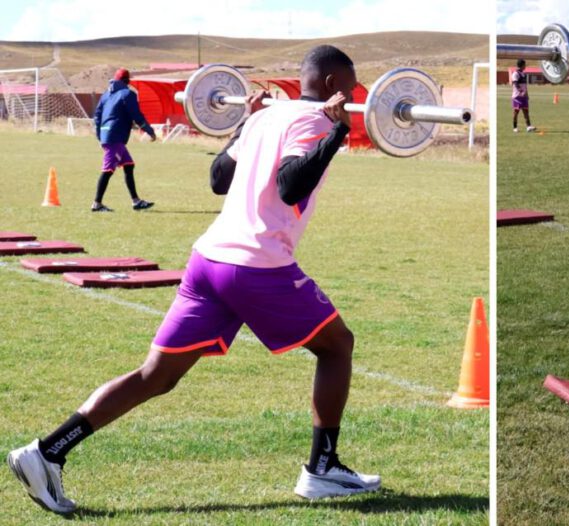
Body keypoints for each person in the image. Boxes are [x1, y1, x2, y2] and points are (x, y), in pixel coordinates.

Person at [7, 45, 381, 515]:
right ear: (331, 85)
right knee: (336, 345)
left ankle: (45, 452)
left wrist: (245, 123)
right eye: (349, 86)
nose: (351, 95)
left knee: (156, 376)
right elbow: (290, 186)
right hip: (255, 265)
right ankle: (322, 470)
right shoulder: (315, 122)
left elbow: (218, 177)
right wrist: (337, 131)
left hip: (208, 260)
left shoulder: (267, 119)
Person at [91, 68, 156, 212]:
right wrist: (150, 131)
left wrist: (99, 136)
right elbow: (137, 115)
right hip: (116, 137)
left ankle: (136, 201)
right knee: (107, 170)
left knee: (128, 165)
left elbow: (97, 116)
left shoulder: (106, 95)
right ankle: (97, 204)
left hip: (108, 136)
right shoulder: (128, 94)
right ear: (127, 81)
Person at [511, 59, 536, 133]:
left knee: (526, 112)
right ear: (522, 65)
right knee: (516, 112)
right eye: (525, 65)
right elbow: (515, 84)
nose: (525, 66)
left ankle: (528, 127)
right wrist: (521, 92)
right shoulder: (515, 73)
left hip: (524, 96)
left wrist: (527, 94)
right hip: (517, 96)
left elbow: (525, 86)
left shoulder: (523, 74)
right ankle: (515, 127)